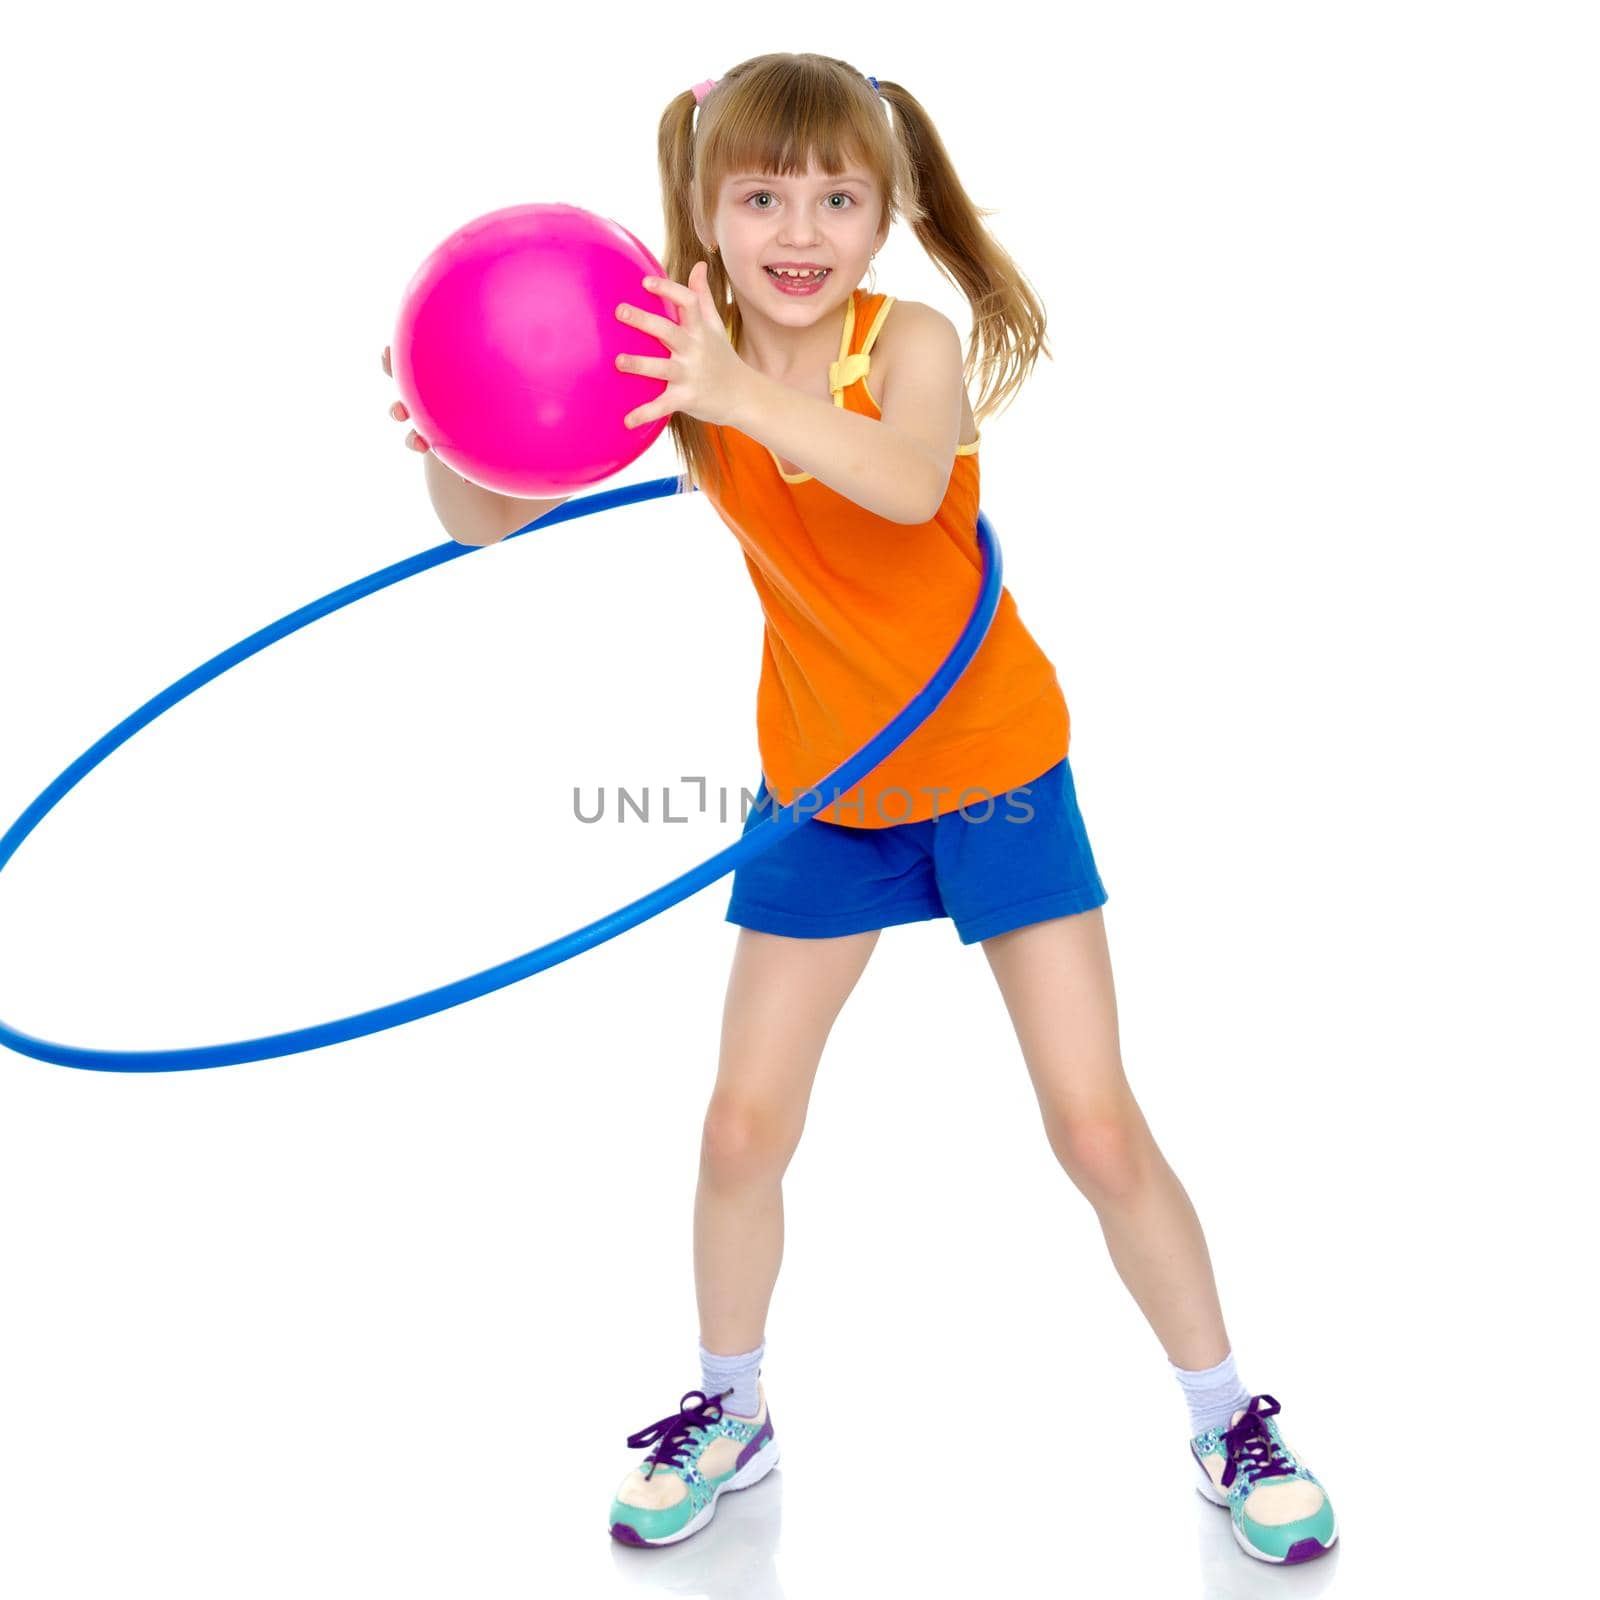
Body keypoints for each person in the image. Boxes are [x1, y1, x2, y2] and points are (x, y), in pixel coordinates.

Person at [386, 53, 1337, 1566]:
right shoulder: (687, 365)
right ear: (703, 207)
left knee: (1094, 1129)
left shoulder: (908, 347)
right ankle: (732, 1409)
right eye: (762, 193)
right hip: (826, 793)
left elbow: (901, 486)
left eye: (839, 194)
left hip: (997, 775)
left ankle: (1229, 1417)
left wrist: (732, 391)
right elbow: (495, 516)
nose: (800, 226)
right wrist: (453, 438)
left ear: (885, 215)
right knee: (740, 1128)